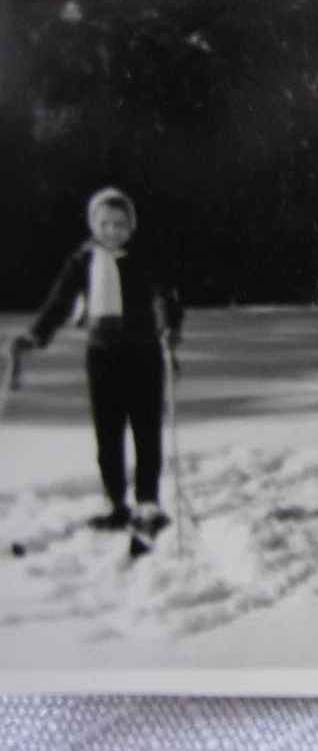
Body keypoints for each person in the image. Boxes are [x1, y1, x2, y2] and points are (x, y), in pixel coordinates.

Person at [8, 187, 183, 533]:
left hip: (143, 352)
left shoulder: (143, 257)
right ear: (93, 224)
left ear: (131, 226)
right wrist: (35, 335)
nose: (112, 231)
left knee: (146, 429)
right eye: (105, 223)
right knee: (108, 431)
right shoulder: (82, 260)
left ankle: (148, 502)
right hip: (102, 355)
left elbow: (163, 293)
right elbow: (59, 302)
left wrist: (168, 328)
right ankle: (115, 502)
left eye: (120, 224)